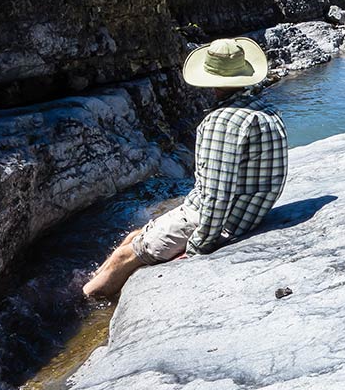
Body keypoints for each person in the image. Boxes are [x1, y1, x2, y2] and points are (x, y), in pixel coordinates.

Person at [83, 37, 288, 298]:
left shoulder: (221, 122)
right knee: (135, 235)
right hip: (247, 214)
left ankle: (87, 298)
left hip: (219, 220)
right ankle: (97, 279)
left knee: (126, 255)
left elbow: (216, 195)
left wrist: (198, 246)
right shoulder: (265, 110)